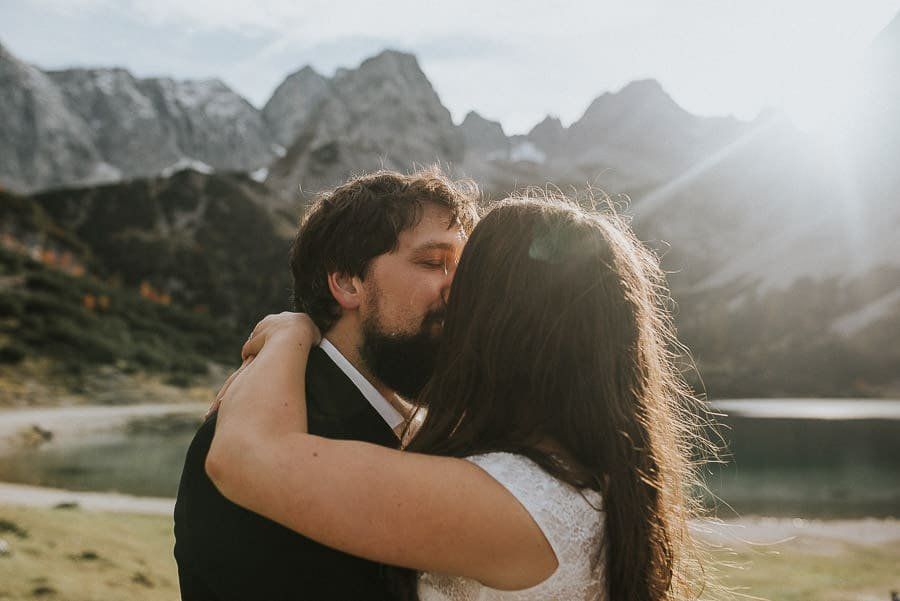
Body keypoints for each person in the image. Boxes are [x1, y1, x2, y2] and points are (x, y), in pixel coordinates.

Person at [206, 194, 712, 601]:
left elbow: (247, 455)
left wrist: (288, 333)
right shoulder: (579, 475)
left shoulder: (511, 503)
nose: (450, 295)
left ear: (510, 322)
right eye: (435, 266)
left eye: (467, 282)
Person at [173, 167, 480, 600]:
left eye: (463, 269)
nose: (459, 289)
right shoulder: (257, 438)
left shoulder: (423, 417)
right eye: (434, 262)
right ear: (347, 282)